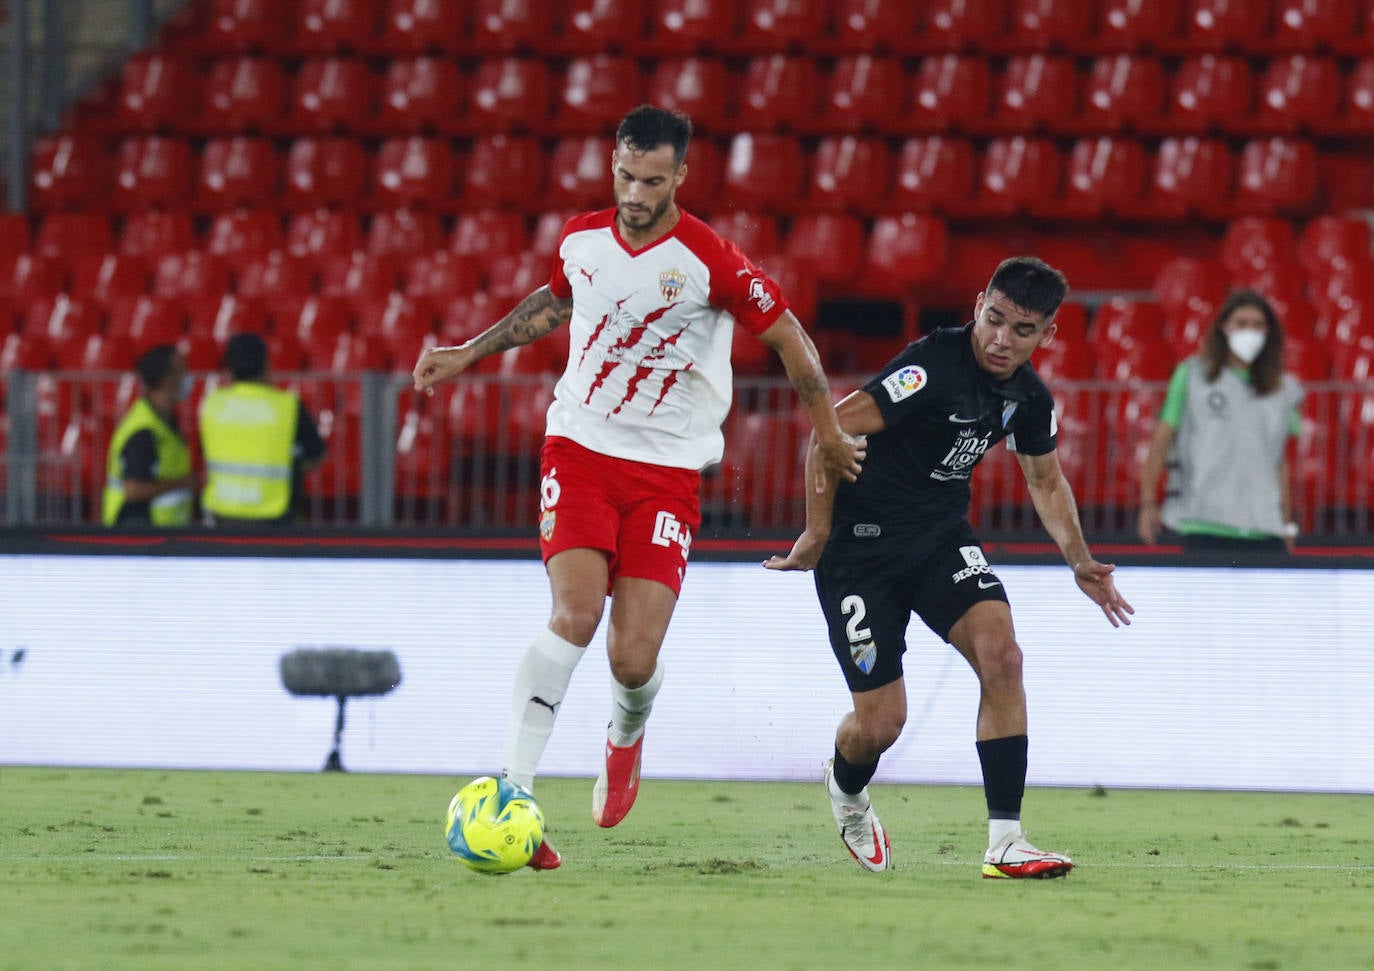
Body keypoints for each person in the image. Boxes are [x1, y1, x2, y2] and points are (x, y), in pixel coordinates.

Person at [412, 105, 864, 870]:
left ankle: (625, 731)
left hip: (666, 474)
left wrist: (825, 427)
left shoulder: (710, 258)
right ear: (612, 163)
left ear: (680, 177)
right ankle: (513, 788)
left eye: (652, 180)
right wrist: (469, 351)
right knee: (576, 611)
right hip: (579, 449)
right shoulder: (582, 237)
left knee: (631, 658)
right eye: (625, 174)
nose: (635, 191)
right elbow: (554, 303)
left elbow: (789, 335)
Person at [766, 256, 1134, 878]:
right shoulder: (931, 367)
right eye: (994, 320)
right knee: (880, 724)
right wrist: (818, 531)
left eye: (1021, 331)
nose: (1000, 339)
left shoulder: (1028, 399)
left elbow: (1045, 480)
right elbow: (831, 430)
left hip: (939, 541)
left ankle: (1005, 843)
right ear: (978, 304)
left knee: (1004, 657)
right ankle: (848, 788)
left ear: (1046, 335)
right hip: (861, 551)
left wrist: (1080, 560)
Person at [1138, 289, 1303, 555]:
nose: (1250, 331)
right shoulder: (1192, 375)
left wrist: (1286, 523)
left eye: (1258, 325)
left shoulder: (1283, 389)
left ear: (1269, 332)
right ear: (1224, 327)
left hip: (1264, 526)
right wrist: (1148, 503)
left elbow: (1279, 461)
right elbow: (1161, 440)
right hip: (1205, 523)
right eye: (1242, 323)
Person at [199, 332, 326, 525]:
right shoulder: (288, 406)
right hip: (274, 519)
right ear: (266, 363)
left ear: (229, 367)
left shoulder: (212, 404)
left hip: (222, 517)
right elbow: (316, 455)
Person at [102, 343, 195, 527]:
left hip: (164, 530)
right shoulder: (143, 431)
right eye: (182, 370)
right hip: (138, 531)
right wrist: (183, 483)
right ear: (166, 379)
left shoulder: (165, 421)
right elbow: (134, 490)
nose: (188, 377)